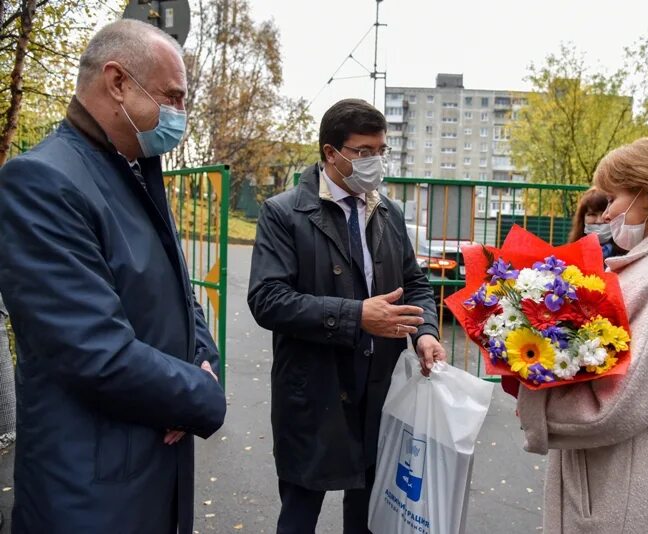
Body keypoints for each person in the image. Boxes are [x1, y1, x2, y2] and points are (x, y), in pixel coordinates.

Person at [0, 20, 226, 534]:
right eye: (173, 96)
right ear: (118, 81)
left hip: (148, 473)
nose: (180, 114)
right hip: (90, 491)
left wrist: (202, 361)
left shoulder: (130, 170)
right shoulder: (42, 181)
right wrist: (201, 395)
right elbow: (92, 349)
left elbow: (178, 295)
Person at [248, 98, 446, 534]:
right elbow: (267, 299)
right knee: (299, 513)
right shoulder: (284, 213)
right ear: (330, 154)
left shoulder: (387, 213)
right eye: (362, 151)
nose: (374, 161)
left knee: (372, 516)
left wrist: (425, 333)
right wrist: (357, 316)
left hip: (379, 392)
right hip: (314, 391)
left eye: (380, 150)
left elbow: (415, 285)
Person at [517, 137, 648, 533]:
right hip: (617, 486)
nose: (607, 211)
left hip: (627, 499)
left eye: (613, 198)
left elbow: (619, 405)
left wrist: (536, 400)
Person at [568, 188, 622, 259]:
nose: (599, 221)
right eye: (592, 214)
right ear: (582, 218)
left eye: (604, 213)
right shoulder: (572, 253)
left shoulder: (628, 254)